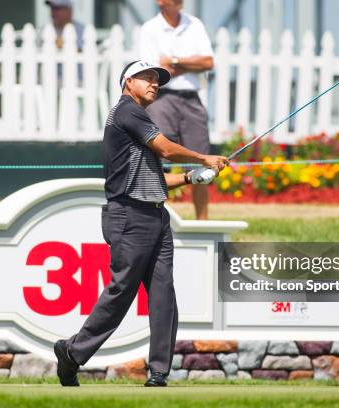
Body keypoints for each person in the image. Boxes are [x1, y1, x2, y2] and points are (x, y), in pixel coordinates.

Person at [53, 60, 228, 387]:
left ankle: (158, 372)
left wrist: (192, 177)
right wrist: (204, 157)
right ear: (127, 81)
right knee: (122, 292)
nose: (154, 84)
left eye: (157, 80)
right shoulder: (126, 111)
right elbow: (165, 149)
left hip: (155, 215)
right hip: (129, 216)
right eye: (147, 78)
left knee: (163, 294)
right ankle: (72, 352)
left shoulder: (137, 118)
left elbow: (153, 178)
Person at [140, 0, 215, 220]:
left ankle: (202, 224)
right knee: (158, 162)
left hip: (192, 99)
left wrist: (174, 61)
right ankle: (157, 220)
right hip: (161, 99)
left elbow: (208, 62)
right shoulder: (149, 29)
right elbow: (155, 70)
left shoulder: (196, 24)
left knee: (202, 161)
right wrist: (190, 64)